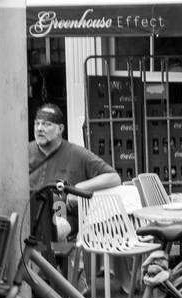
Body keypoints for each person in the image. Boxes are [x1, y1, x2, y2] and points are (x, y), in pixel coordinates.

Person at [27, 103, 120, 243]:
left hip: (61, 215)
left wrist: (78, 188)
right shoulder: (23, 152)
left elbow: (113, 177)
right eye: (37, 124)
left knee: (54, 230)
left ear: (60, 129)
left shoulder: (76, 153)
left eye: (47, 124)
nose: (40, 128)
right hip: (28, 214)